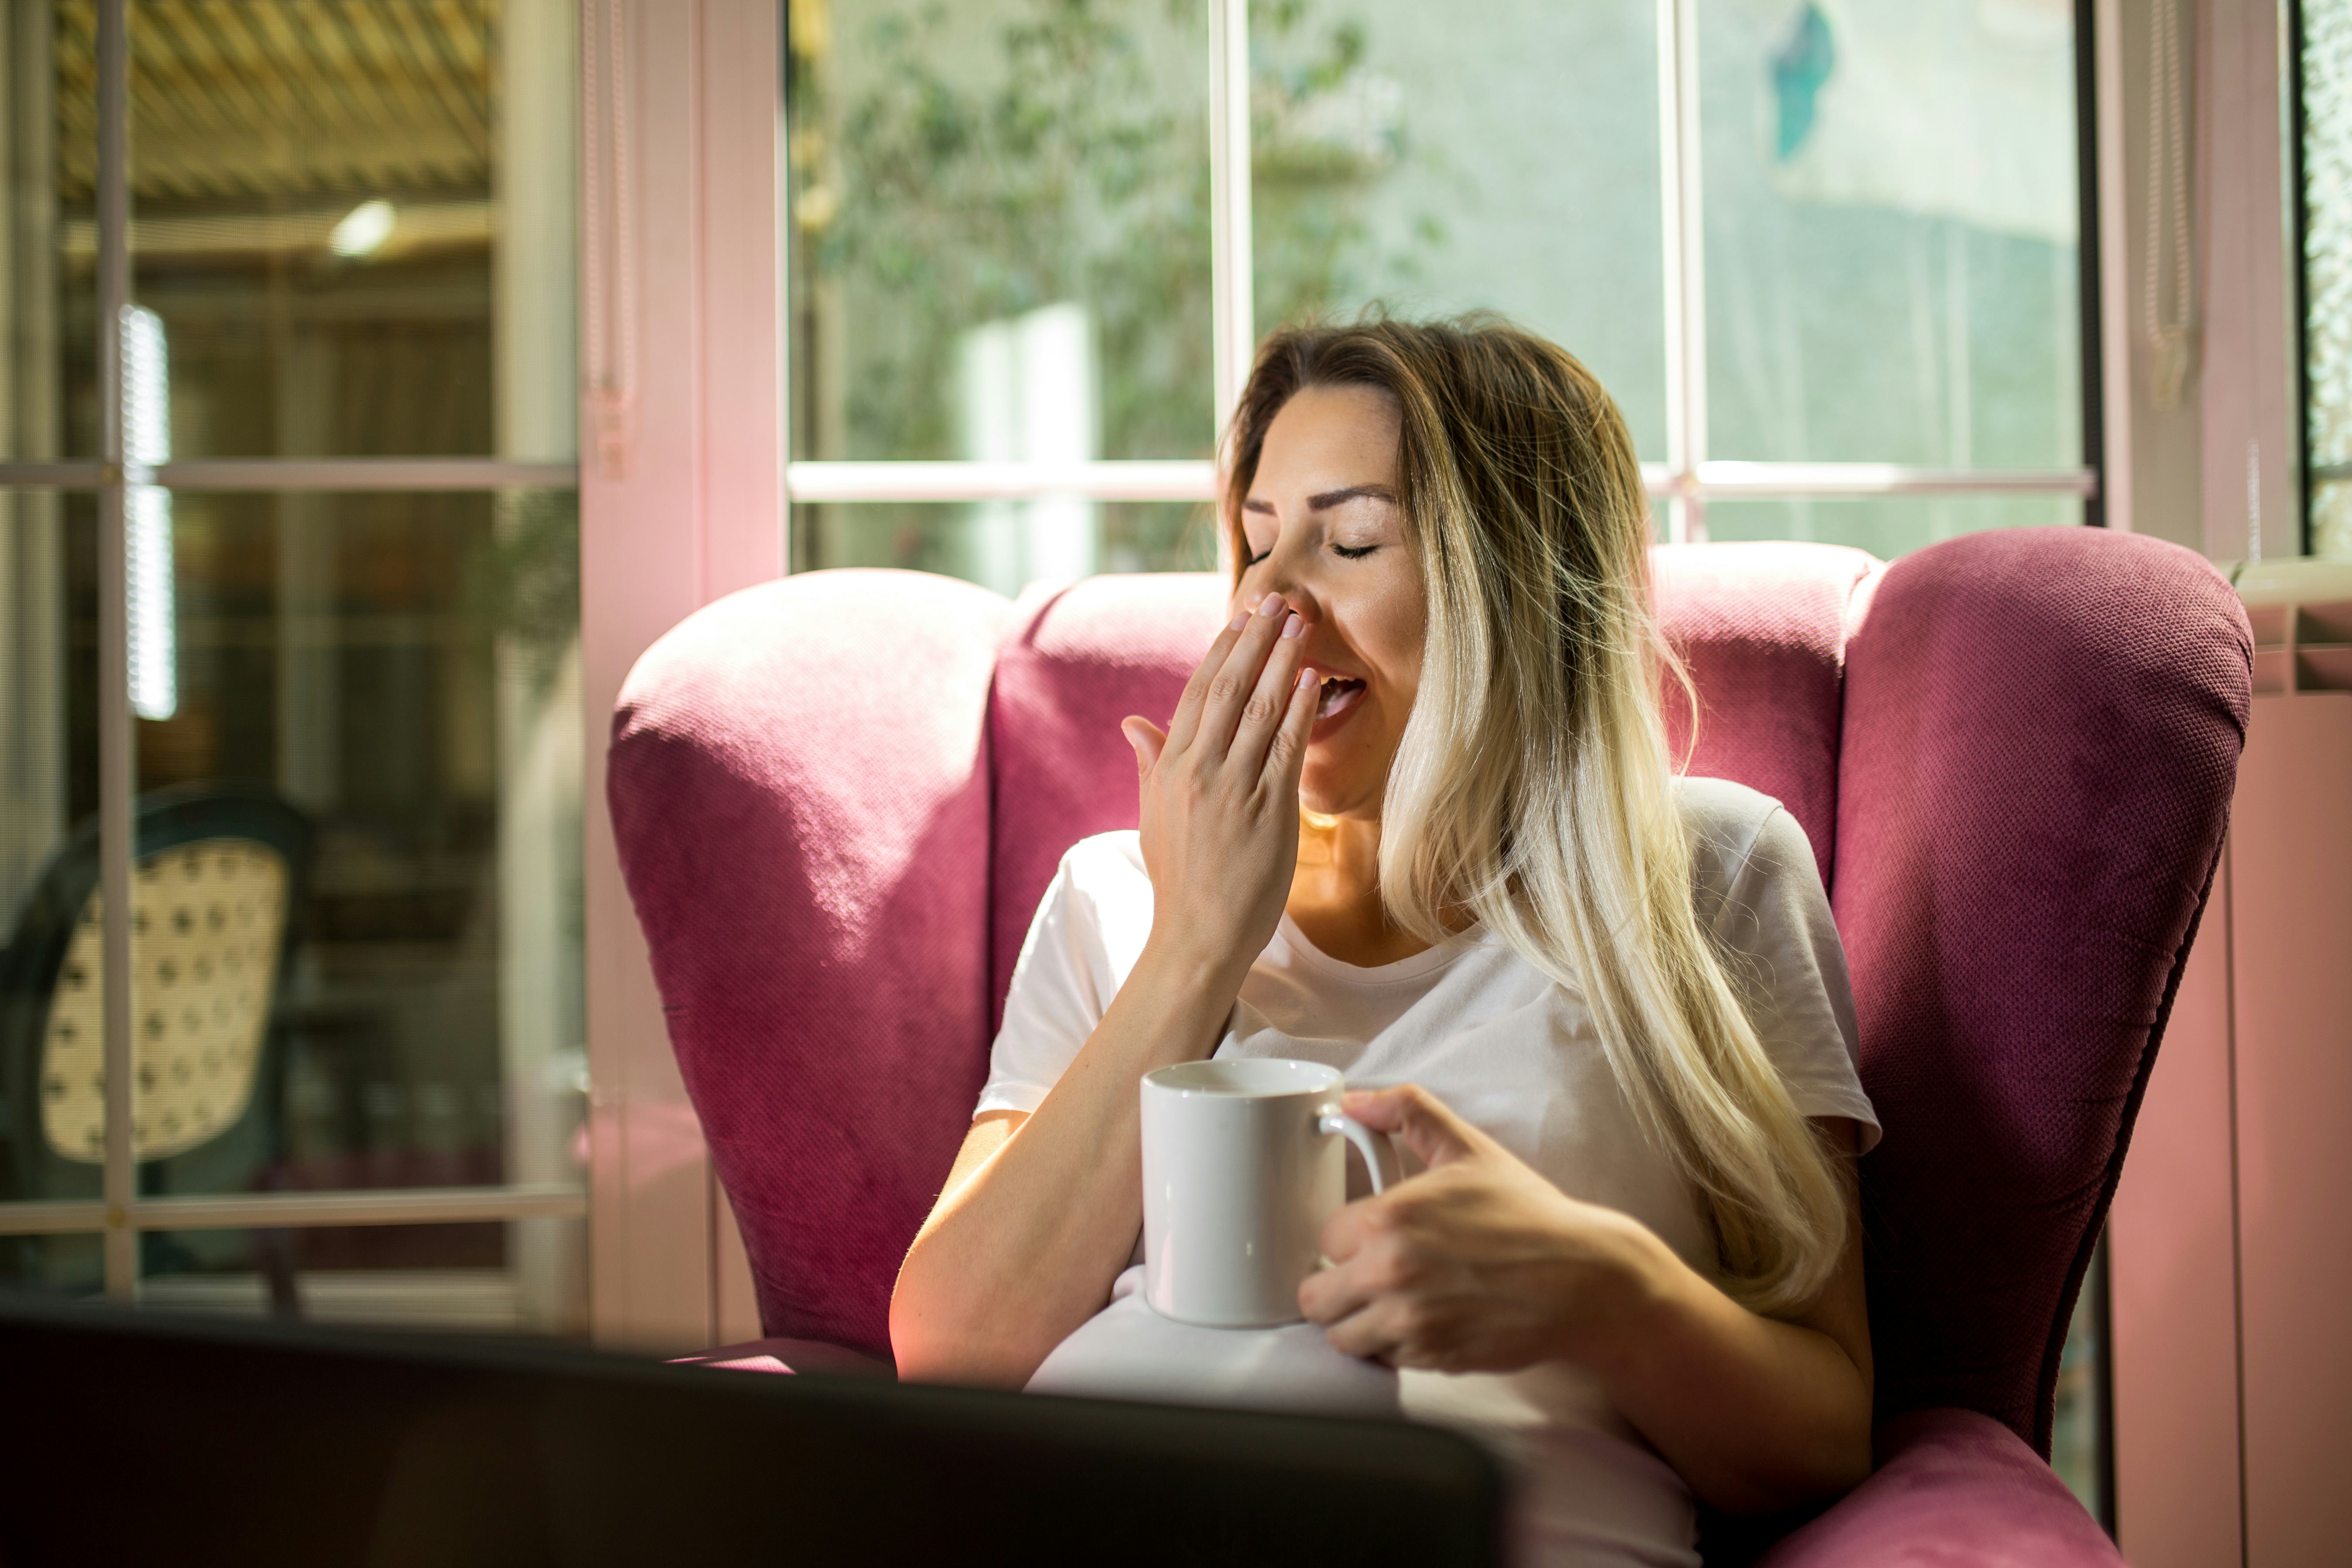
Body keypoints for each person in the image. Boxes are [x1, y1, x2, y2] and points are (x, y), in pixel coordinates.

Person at [888, 316, 1880, 1567]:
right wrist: (1195, 942)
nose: (1267, 598)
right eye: (1254, 544)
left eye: (1349, 541)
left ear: (1512, 588)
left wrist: (1604, 1290)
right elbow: (954, 1353)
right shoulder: (1114, 896)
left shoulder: (1708, 879)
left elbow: (1821, 1436)